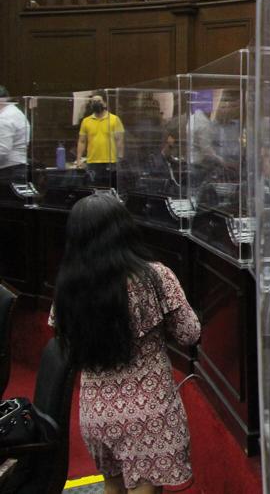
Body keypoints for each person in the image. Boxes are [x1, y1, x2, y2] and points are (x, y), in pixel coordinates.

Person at [51, 193, 200, 494]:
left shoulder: (67, 286)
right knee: (145, 487)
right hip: (148, 408)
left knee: (113, 484)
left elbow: (63, 341)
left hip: (95, 410)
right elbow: (189, 333)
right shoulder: (155, 276)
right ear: (125, 229)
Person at [76, 93, 125, 185]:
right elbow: (82, 141)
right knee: (94, 188)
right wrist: (78, 159)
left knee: (111, 188)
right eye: (93, 101)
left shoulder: (114, 119)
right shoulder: (86, 121)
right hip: (92, 162)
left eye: (99, 101)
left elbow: (119, 140)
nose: (96, 103)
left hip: (110, 161)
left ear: (105, 103)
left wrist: (120, 158)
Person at [0, 85, 29, 183]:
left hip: (7, 170)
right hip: (17, 166)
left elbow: (2, 151)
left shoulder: (4, 117)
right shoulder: (15, 111)